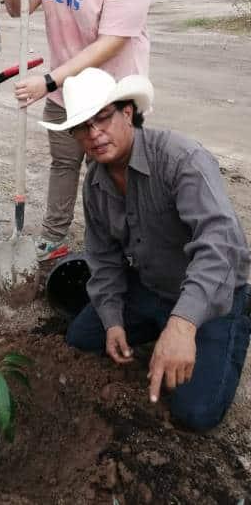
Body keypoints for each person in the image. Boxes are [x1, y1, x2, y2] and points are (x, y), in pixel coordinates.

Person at [50, 68, 251, 432]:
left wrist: (183, 324)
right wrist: (111, 320)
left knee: (195, 413)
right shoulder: (95, 185)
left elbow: (220, 244)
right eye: (83, 127)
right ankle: (158, 330)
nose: (94, 134)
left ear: (127, 113)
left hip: (213, 295)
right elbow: (105, 261)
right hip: (151, 286)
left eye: (103, 118)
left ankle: (214, 331)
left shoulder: (179, 158)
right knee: (82, 339)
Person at [4, 0, 155, 261]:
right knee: (64, 163)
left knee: (113, 171)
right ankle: (53, 238)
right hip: (63, 92)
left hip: (112, 92)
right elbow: (16, 8)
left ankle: (122, 247)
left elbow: (113, 41)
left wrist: (49, 79)